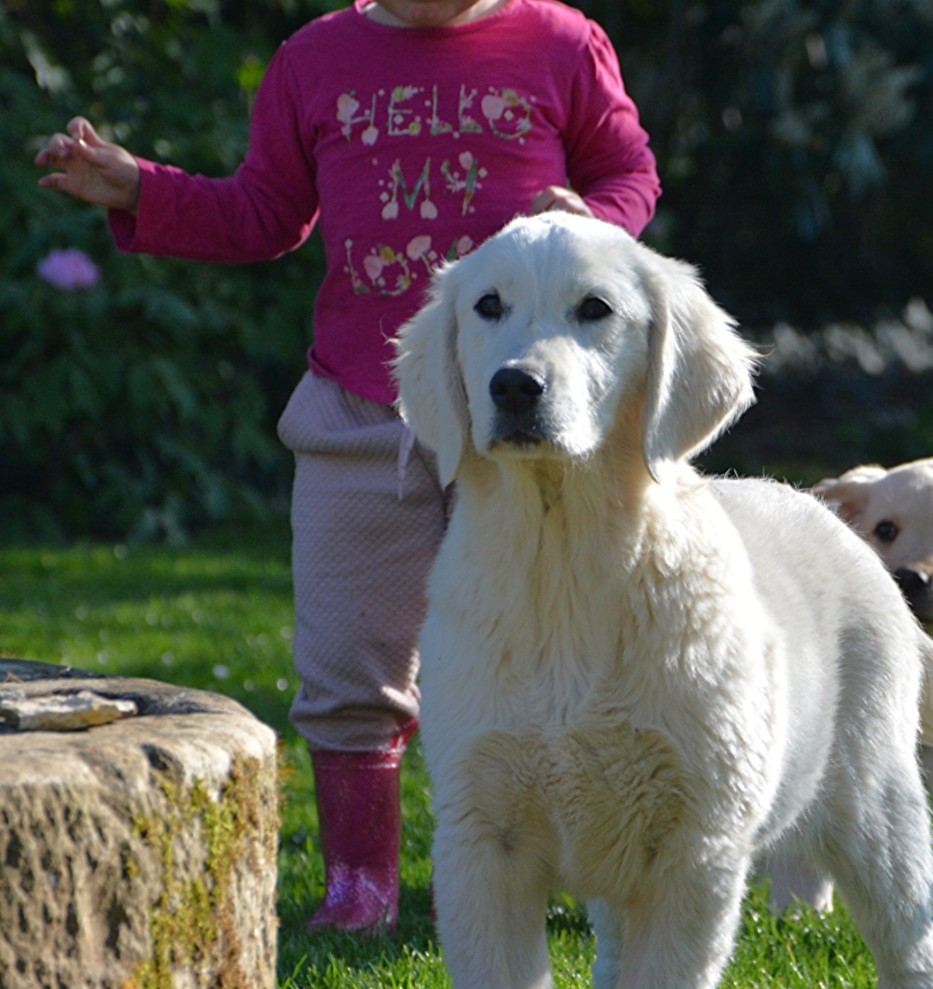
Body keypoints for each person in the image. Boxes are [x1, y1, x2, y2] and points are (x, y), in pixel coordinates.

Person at [37, 0, 661, 933]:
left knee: (550, 641)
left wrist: (596, 219)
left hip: (522, 411)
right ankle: (360, 884)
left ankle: (562, 860)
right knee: (346, 656)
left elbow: (627, 170)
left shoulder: (561, 43)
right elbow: (264, 213)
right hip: (361, 412)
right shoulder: (315, 58)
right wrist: (137, 189)